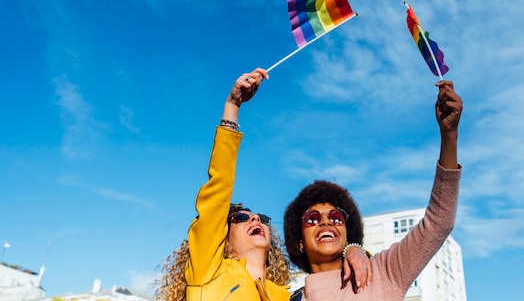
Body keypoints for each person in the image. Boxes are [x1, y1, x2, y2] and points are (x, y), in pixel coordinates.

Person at [156, 68, 372, 301]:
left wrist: (354, 249)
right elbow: (218, 190)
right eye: (240, 218)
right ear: (223, 238)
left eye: (261, 218)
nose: (255, 219)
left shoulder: (292, 297)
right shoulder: (209, 272)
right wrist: (232, 107)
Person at [283, 80, 463, 301]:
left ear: (348, 233)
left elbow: (440, 221)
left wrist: (449, 135)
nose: (326, 222)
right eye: (311, 219)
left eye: (337, 217)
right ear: (298, 240)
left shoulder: (385, 272)